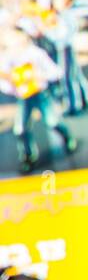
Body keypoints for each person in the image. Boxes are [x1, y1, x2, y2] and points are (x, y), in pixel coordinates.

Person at [0, 14, 77, 172]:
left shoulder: (36, 53)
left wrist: (41, 75)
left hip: (41, 94)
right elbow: (5, 84)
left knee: (52, 121)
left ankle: (67, 137)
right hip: (24, 98)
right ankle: (28, 156)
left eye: (15, 37)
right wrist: (11, 83)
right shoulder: (6, 58)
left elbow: (57, 72)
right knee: (20, 129)